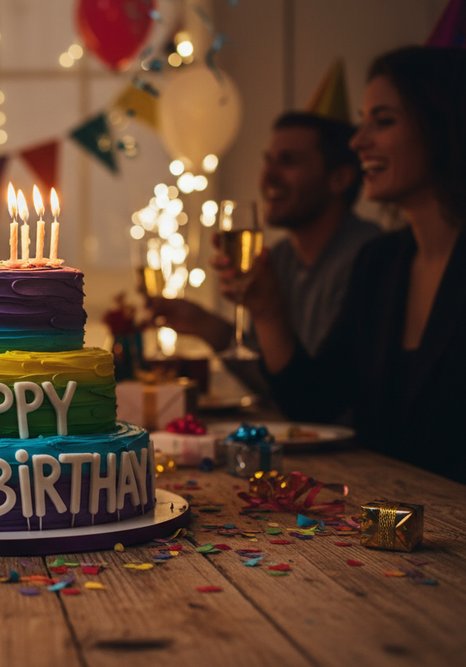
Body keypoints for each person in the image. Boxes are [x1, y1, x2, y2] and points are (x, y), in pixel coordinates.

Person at [236, 46, 466, 483]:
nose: (358, 141)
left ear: (443, 127)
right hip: (384, 513)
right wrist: (267, 312)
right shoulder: (380, 263)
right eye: (363, 121)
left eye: (384, 121)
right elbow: (316, 405)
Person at [148, 112, 380, 367]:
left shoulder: (371, 258)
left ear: (339, 179)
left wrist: (267, 313)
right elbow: (271, 377)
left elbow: (322, 386)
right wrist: (203, 324)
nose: (267, 175)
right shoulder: (280, 257)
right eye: (268, 161)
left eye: (288, 161)